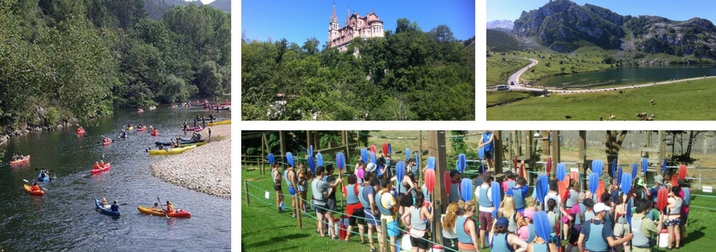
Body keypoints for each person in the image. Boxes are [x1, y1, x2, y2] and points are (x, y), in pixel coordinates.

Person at [312, 166, 342, 239]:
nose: (324, 173)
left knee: (320, 219)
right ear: (321, 172)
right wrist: (338, 181)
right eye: (324, 171)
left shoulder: (313, 181)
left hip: (316, 202)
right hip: (323, 203)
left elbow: (328, 183)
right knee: (330, 218)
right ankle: (333, 236)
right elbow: (333, 185)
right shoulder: (321, 183)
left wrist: (337, 179)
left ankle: (322, 234)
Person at [361, 171, 382, 252]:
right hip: (371, 211)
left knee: (370, 228)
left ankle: (372, 247)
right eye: (372, 176)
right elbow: (372, 202)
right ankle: (381, 248)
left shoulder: (362, 186)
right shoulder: (370, 188)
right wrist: (374, 211)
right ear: (370, 177)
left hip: (366, 209)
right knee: (379, 229)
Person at [377, 177, 399, 252]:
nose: (391, 184)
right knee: (393, 239)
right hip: (391, 219)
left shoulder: (378, 193)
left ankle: (382, 250)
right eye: (390, 183)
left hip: (383, 217)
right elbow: (396, 208)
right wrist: (398, 200)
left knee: (383, 237)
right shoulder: (389, 195)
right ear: (387, 185)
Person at [393, 162, 416, 228]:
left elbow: (390, 180)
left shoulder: (396, 176)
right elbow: (412, 186)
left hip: (399, 195)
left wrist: (395, 187)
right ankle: (407, 227)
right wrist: (408, 191)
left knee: (400, 212)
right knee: (407, 212)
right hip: (406, 196)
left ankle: (399, 226)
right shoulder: (406, 177)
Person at [474, 174, 494, 249]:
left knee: (482, 228)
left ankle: (482, 244)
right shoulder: (490, 189)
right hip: (489, 211)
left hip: (481, 210)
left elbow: (477, 199)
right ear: (490, 180)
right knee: (490, 229)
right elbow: (492, 200)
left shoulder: (478, 188)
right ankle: (490, 244)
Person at [345, 174, 365, 243]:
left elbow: (345, 196)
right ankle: (363, 240)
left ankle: (347, 238)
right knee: (360, 224)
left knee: (351, 224)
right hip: (359, 207)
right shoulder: (358, 186)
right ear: (355, 179)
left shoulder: (345, 188)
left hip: (350, 209)